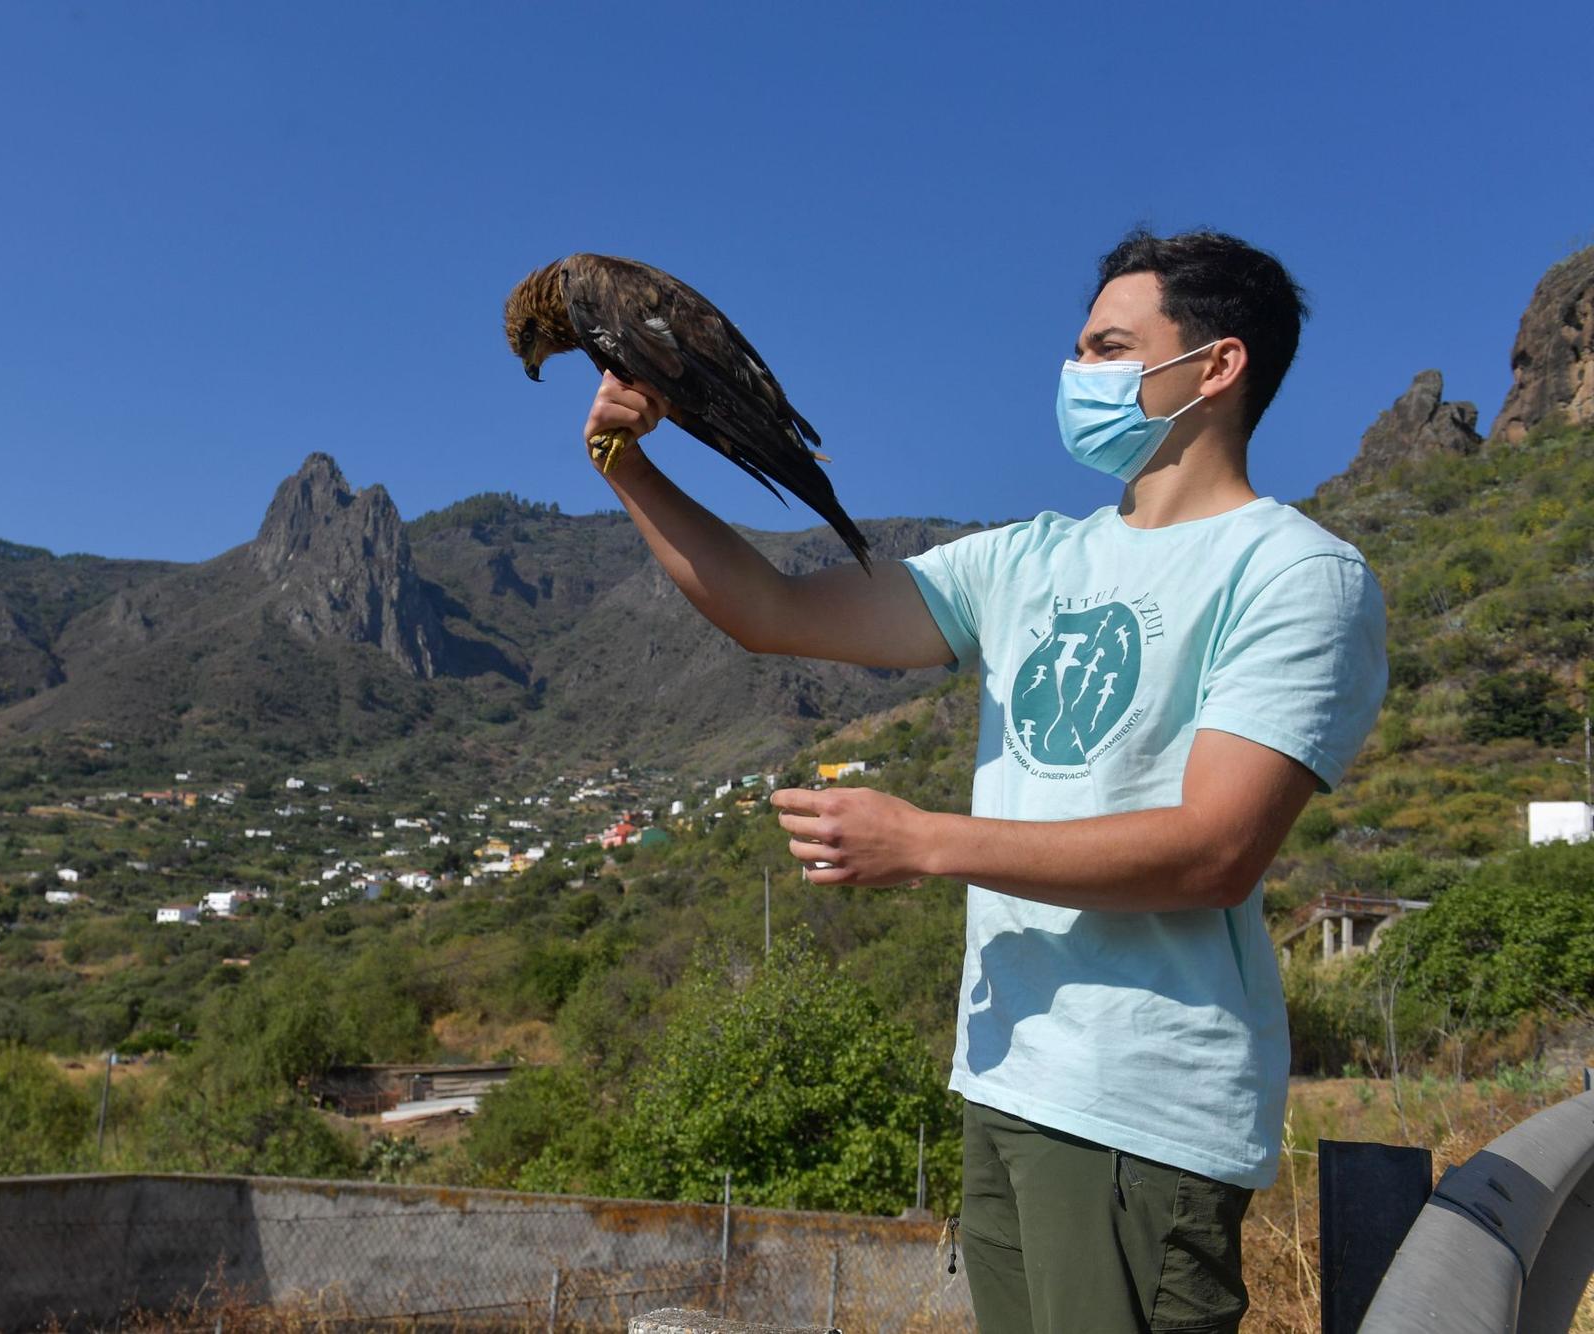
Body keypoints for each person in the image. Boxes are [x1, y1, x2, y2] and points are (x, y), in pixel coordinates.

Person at [577, 229, 1387, 1334]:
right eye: (1076, 348)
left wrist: (922, 842)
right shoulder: (1025, 560)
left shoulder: (1291, 571)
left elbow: (1213, 849)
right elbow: (771, 612)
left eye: (1109, 346)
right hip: (1004, 1082)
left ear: (1215, 365)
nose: (1077, 374)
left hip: (1137, 1107)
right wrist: (627, 466)